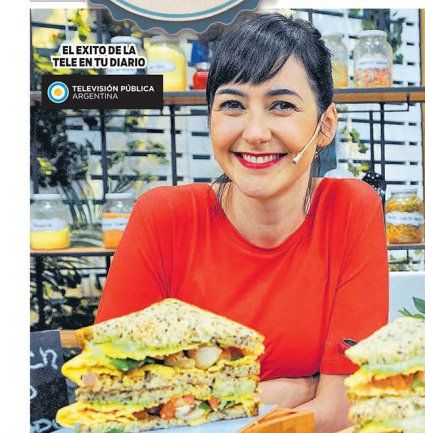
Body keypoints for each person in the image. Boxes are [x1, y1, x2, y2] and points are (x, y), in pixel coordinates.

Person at [95, 12, 389, 433]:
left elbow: (344, 410)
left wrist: (194, 404)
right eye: (232, 105)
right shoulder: (163, 218)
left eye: (281, 106)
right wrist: (286, 394)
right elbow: (110, 399)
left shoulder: (349, 211)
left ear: (325, 126)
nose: (254, 132)